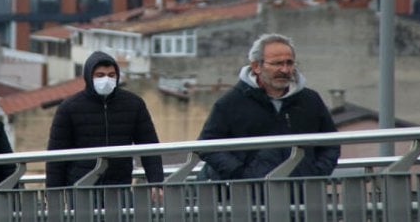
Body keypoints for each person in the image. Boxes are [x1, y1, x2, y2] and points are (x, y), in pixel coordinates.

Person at [197, 33, 340, 180]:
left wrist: (316, 173)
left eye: (289, 63)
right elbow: (207, 146)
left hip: (302, 193)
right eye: (277, 63)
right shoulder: (231, 102)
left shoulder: (310, 100)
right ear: (256, 66)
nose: (285, 70)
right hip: (248, 196)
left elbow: (330, 143)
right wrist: (240, 174)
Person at [46, 51, 164, 194]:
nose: (106, 79)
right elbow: (56, 157)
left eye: (111, 75)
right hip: (81, 189)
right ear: (89, 77)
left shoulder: (133, 104)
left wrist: (156, 182)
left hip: (119, 187)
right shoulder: (69, 107)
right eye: (100, 75)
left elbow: (149, 146)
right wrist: (52, 194)